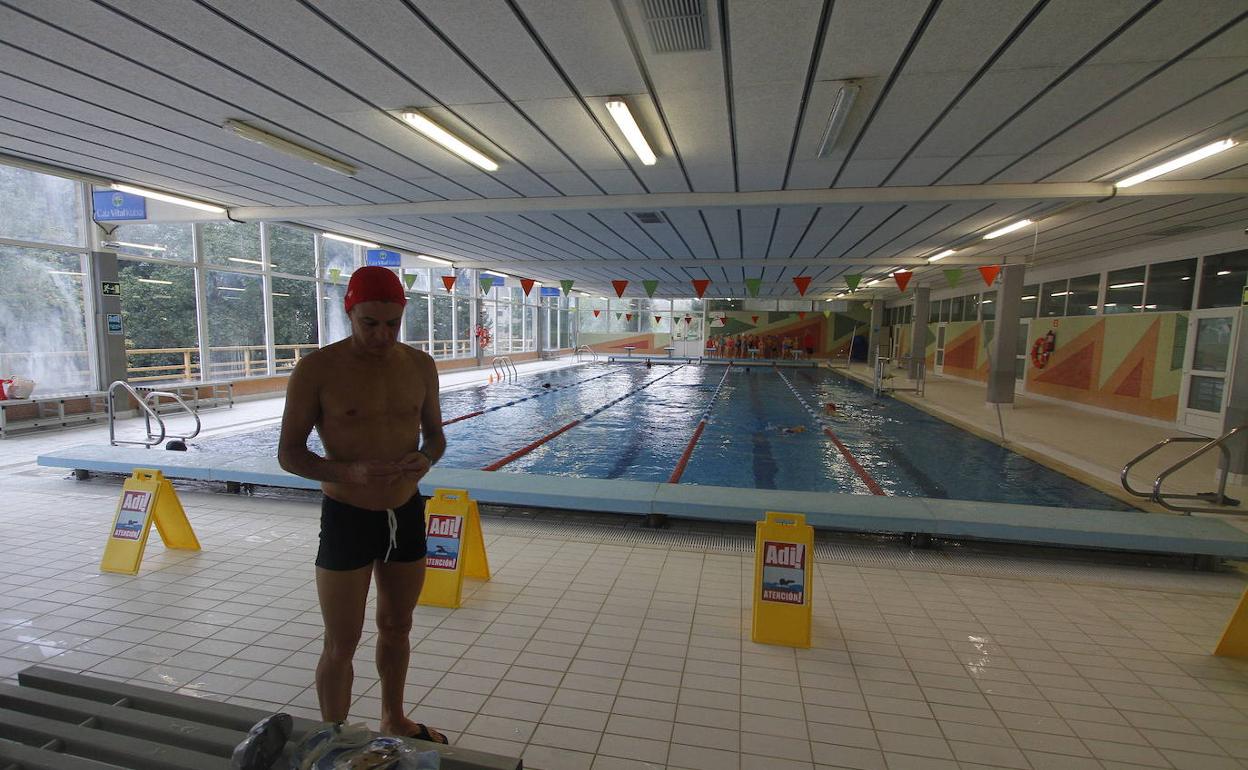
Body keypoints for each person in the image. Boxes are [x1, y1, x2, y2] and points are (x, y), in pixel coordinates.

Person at [278, 266, 448, 744]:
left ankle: (394, 718)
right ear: (349, 312)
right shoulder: (317, 370)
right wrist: (348, 472)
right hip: (347, 517)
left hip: (405, 512)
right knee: (342, 641)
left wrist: (425, 459)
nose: (382, 335)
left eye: (392, 324)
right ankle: (333, 737)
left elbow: (436, 437)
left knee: (397, 625)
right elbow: (289, 454)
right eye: (370, 323)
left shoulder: (419, 365)